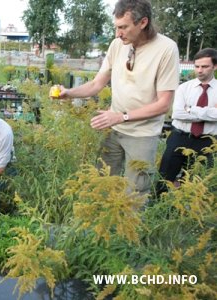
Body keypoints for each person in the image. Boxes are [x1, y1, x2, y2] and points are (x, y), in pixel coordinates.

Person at [53, 0, 179, 195]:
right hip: (113, 129)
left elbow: (164, 104)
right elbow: (96, 84)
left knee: (135, 193)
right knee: (102, 183)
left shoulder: (166, 49)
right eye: (116, 27)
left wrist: (122, 116)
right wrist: (68, 93)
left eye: (123, 27)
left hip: (142, 134)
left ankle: (128, 225)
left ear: (143, 22)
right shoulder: (117, 45)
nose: (118, 33)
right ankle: (98, 224)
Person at [157, 48, 217, 194]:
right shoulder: (184, 88)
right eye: (197, 66)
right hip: (179, 138)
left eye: (204, 66)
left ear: (215, 66)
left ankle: (184, 211)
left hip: (207, 142)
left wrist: (190, 109)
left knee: (195, 182)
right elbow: (177, 113)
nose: (200, 70)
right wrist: (210, 112)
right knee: (165, 178)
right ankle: (158, 206)